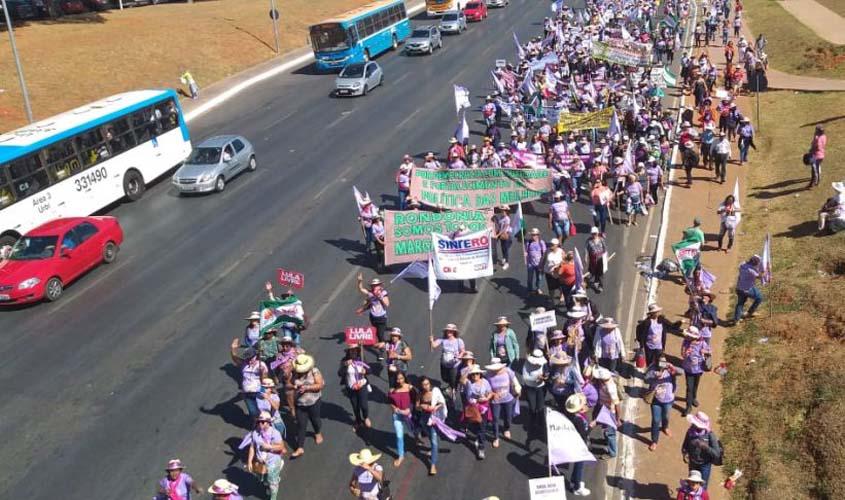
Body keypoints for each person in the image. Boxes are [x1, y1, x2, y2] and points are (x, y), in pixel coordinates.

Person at [244, 411, 286, 500]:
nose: (260, 424)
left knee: (272, 483)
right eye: (259, 421)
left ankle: (273, 497)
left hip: (272, 462)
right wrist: (249, 461)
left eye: (262, 422)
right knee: (262, 479)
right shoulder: (255, 433)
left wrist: (269, 446)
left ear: (268, 422)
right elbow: (252, 447)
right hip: (260, 462)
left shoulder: (275, 433)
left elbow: (281, 447)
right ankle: (274, 477)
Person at [289, 353, 325, 457]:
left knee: (315, 420)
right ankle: (300, 447)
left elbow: (320, 385)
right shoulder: (294, 372)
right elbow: (290, 383)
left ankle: (317, 432)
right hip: (300, 402)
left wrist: (307, 387)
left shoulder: (314, 371)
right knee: (301, 424)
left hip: (313, 401)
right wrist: (294, 386)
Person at [644, 355, 678, 451]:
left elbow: (680, 373)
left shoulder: (669, 369)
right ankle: (654, 441)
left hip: (668, 399)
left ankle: (665, 427)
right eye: (660, 362)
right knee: (655, 420)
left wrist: (672, 368)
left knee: (666, 416)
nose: (662, 365)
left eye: (664, 362)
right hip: (656, 400)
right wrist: (654, 375)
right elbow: (645, 379)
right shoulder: (653, 369)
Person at [485, 357, 520, 448]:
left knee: (508, 416)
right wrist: (492, 393)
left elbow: (515, 382)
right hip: (495, 400)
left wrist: (517, 389)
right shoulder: (488, 375)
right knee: (495, 418)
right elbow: (486, 389)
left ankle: (506, 428)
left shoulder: (508, 371)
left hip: (508, 398)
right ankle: (496, 437)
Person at [416, 376, 448, 475]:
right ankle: (433, 449)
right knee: (429, 435)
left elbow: (442, 403)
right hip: (424, 419)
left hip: (434, 418)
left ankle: (432, 465)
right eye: (424, 385)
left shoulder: (435, 392)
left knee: (434, 441)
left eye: (427, 384)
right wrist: (422, 406)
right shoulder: (420, 394)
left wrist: (435, 407)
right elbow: (417, 406)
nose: (426, 386)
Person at [230, 339, 268, 422]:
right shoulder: (244, 364)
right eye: (247, 358)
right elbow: (235, 358)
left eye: (251, 358)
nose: (249, 360)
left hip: (258, 392)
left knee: (262, 412)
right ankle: (257, 426)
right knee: (253, 412)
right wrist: (233, 349)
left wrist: (262, 373)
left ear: (256, 355)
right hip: (247, 393)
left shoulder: (261, 365)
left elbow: (265, 381)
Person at [682, 411, 722, 488]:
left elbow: (717, 454)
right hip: (693, 463)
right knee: (692, 484)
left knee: (702, 486)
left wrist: (705, 447)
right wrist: (684, 453)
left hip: (705, 465)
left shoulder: (710, 435)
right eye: (694, 424)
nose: (694, 426)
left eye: (697, 425)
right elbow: (685, 445)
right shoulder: (690, 431)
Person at [563, 393, 592, 497]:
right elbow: (584, 433)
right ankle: (577, 487)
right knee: (579, 466)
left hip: (575, 443)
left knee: (577, 465)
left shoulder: (573, 416)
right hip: (580, 444)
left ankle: (573, 481)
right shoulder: (578, 420)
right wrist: (591, 427)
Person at [462, 365, 493, 460]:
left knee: (482, 427)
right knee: (478, 427)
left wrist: (487, 398)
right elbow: (469, 398)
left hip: (485, 407)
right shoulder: (470, 384)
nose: (475, 375)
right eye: (473, 374)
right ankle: (480, 444)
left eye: (477, 374)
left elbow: (490, 392)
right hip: (475, 408)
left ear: (480, 374)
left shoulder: (485, 382)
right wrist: (477, 401)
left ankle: (480, 444)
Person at [429, 323, 465, 399]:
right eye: (448, 331)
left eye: (451, 331)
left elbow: (462, 351)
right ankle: (451, 386)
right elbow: (434, 346)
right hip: (444, 363)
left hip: (454, 364)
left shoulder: (459, 341)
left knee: (453, 378)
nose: (449, 333)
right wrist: (431, 341)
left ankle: (453, 391)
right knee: (444, 377)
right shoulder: (443, 340)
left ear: (454, 332)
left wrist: (459, 357)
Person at [388, 371, 416, 467]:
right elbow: (390, 401)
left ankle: (417, 438)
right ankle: (401, 455)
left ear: (404, 378)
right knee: (399, 436)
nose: (399, 381)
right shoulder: (392, 390)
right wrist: (394, 408)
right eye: (397, 379)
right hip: (397, 415)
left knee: (413, 429)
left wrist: (409, 409)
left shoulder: (410, 388)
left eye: (401, 378)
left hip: (408, 415)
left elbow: (415, 400)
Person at [680, 327, 710, 416]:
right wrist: (686, 353)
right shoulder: (686, 342)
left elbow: (709, 351)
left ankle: (693, 398)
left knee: (696, 385)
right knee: (689, 387)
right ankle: (688, 406)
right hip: (688, 369)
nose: (687, 337)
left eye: (689, 336)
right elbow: (682, 354)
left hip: (698, 369)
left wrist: (704, 351)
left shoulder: (702, 343)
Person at [341, 345, 372, 430]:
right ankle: (358, 421)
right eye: (351, 350)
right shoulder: (345, 361)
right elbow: (340, 373)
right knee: (355, 406)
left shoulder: (361, 359)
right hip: (351, 387)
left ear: (358, 351)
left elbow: (370, 370)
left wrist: (365, 371)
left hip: (362, 385)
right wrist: (345, 365)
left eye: (355, 350)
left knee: (364, 405)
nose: (353, 352)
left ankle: (366, 417)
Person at [592, 367, 621, 458]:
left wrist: (617, 419)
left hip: (609, 412)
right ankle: (607, 441)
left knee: (610, 433)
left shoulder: (610, 388)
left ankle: (612, 453)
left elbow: (617, 405)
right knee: (606, 429)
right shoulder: (606, 380)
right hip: (603, 409)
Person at [355, 275, 390, 344]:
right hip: (373, 317)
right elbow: (361, 289)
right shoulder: (370, 294)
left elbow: (387, 304)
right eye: (373, 285)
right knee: (376, 333)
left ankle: (382, 350)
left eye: (376, 285)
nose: (375, 286)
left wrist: (380, 298)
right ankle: (382, 342)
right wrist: (360, 281)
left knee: (380, 335)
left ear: (380, 286)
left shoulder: (383, 293)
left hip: (381, 317)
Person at [522, 349, 548, 434]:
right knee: (532, 407)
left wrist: (544, 377)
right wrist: (536, 378)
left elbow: (547, 373)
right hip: (530, 388)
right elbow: (525, 377)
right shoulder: (527, 364)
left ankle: (541, 423)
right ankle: (532, 423)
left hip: (541, 387)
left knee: (540, 407)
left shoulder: (544, 364)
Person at [732, 255, 764, 323]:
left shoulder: (743, 264)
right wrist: (766, 271)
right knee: (759, 297)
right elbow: (759, 276)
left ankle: (736, 319)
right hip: (747, 289)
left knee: (740, 303)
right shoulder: (751, 270)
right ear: (755, 263)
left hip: (739, 288)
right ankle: (750, 313)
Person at [525, 228, 547, 294]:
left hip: (539, 264)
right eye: (532, 235)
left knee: (539, 278)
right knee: (529, 278)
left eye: (535, 235)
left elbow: (544, 253)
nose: (533, 236)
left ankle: (538, 288)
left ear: (538, 235)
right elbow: (526, 251)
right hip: (530, 263)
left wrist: (543, 264)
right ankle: (530, 290)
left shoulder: (541, 242)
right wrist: (525, 253)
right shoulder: (528, 243)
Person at [586, 227, 608, 292]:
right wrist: (586, 256)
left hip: (601, 259)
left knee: (600, 274)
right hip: (593, 260)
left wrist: (606, 257)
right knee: (595, 272)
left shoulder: (601, 240)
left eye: (595, 233)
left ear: (597, 233)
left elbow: (605, 249)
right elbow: (587, 250)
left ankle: (600, 286)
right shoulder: (589, 241)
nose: (594, 235)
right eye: (593, 233)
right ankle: (596, 283)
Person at [493, 205, 513, 269]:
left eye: (503, 211)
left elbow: (504, 228)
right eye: (501, 210)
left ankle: (507, 263)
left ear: (506, 211)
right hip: (501, 235)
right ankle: (504, 258)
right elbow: (500, 226)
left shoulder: (507, 218)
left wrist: (498, 235)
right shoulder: (502, 217)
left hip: (506, 234)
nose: (502, 212)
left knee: (505, 249)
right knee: (503, 248)